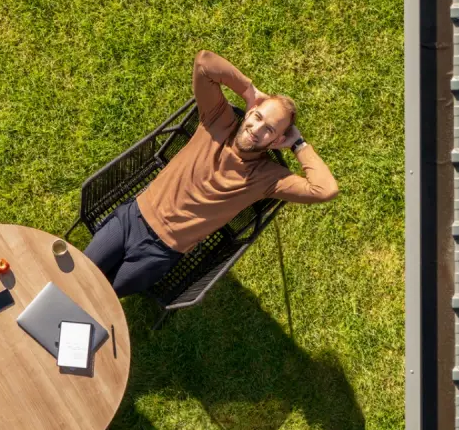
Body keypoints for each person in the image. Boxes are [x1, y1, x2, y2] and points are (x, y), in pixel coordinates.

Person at [84, 50, 339, 297]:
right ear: (250, 111)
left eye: (269, 130)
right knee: (80, 275)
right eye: (258, 117)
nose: (256, 129)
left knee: (100, 298)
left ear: (275, 141)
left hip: (160, 251)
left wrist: (298, 145)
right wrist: (251, 92)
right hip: (133, 218)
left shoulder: (268, 177)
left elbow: (325, 189)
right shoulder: (217, 119)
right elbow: (205, 63)